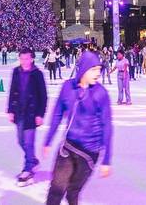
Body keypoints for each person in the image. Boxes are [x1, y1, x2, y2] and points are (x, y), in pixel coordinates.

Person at [43, 51, 113, 205]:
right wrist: (48, 141)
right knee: (56, 190)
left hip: (89, 153)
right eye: (93, 69)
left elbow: (107, 126)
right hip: (68, 147)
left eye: (99, 69)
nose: (97, 73)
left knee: (72, 192)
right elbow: (57, 115)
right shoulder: (68, 87)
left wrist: (107, 159)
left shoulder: (101, 93)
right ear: (83, 69)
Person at [7, 48, 48, 186]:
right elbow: (12, 91)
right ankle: (33, 161)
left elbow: (43, 96)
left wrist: (40, 114)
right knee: (20, 141)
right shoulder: (16, 72)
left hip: (32, 113)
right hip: (19, 112)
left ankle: (27, 169)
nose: (24, 61)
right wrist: (10, 110)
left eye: (27, 59)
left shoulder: (37, 74)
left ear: (32, 59)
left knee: (29, 143)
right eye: (22, 59)